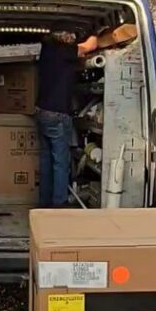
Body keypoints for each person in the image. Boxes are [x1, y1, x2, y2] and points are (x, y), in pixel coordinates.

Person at [36, 30, 97, 208]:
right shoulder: (63, 51)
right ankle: (59, 207)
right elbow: (89, 46)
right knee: (60, 162)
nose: (72, 38)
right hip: (57, 114)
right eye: (70, 35)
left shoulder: (47, 50)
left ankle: (44, 205)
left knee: (47, 160)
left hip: (42, 111)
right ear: (62, 36)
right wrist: (97, 33)